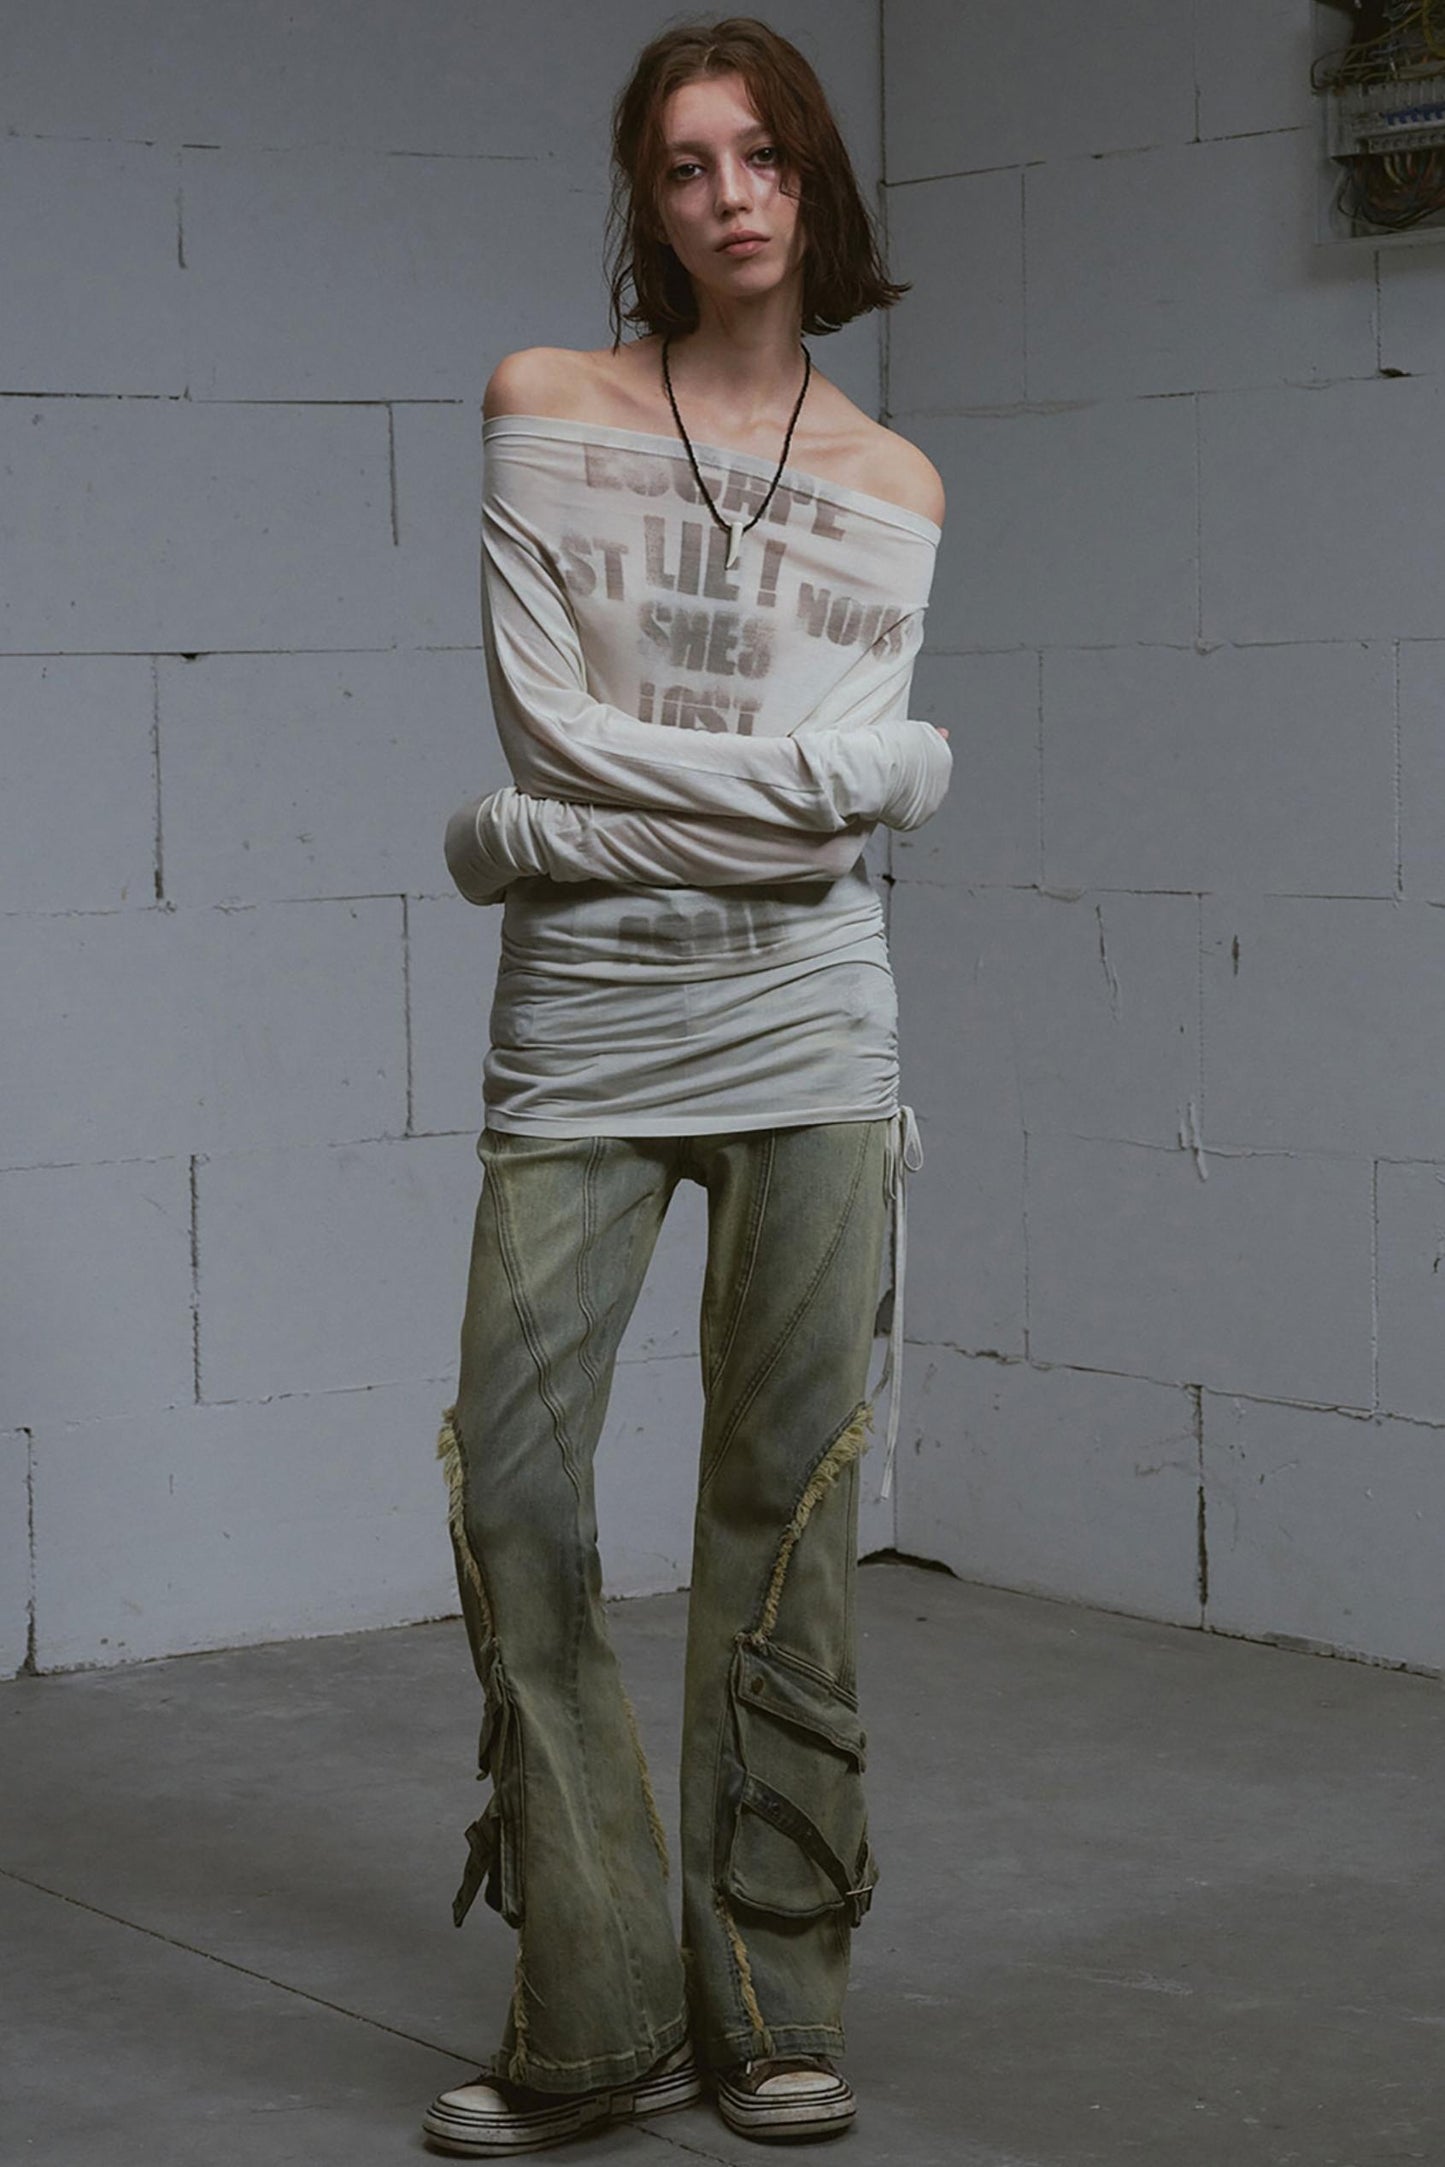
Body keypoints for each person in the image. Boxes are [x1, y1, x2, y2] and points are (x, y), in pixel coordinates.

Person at [422, 15, 949, 2156]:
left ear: (815, 184)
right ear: (646, 198)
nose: (731, 198)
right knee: (516, 1498)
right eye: (687, 165)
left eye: (765, 159)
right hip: (585, 1029)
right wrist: (844, 780)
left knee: (785, 1514)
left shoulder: (894, 484)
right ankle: (594, 2002)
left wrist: (532, 835)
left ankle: (771, 2002)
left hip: (812, 1028)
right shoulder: (546, 405)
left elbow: (809, 842)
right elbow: (558, 738)